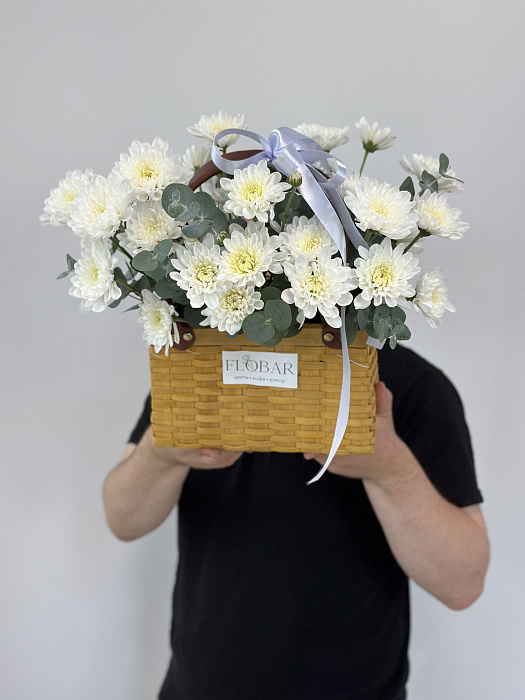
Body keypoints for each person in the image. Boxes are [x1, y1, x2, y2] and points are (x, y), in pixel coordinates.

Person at [103, 341, 489, 700]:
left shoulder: (413, 385)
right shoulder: (200, 367)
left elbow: (462, 583)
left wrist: (389, 468)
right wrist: (159, 455)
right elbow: (123, 519)